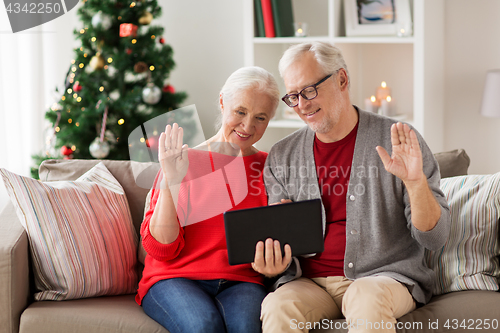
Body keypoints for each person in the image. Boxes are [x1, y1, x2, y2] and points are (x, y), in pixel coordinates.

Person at [253, 42, 451, 333]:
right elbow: (283, 249)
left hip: (385, 278)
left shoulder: (398, 140)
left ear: (342, 79)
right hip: (310, 284)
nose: (303, 105)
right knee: (277, 306)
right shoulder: (282, 155)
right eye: (293, 96)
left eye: (310, 90)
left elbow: (435, 238)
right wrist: (275, 264)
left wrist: (415, 183)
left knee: (364, 296)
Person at [136, 66, 280, 333]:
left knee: (247, 328)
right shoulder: (180, 161)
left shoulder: (271, 168)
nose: (248, 126)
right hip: (174, 278)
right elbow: (160, 249)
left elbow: (278, 241)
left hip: (242, 280)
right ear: (223, 101)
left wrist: (275, 263)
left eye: (261, 117)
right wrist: (171, 180)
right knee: (204, 326)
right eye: (240, 112)